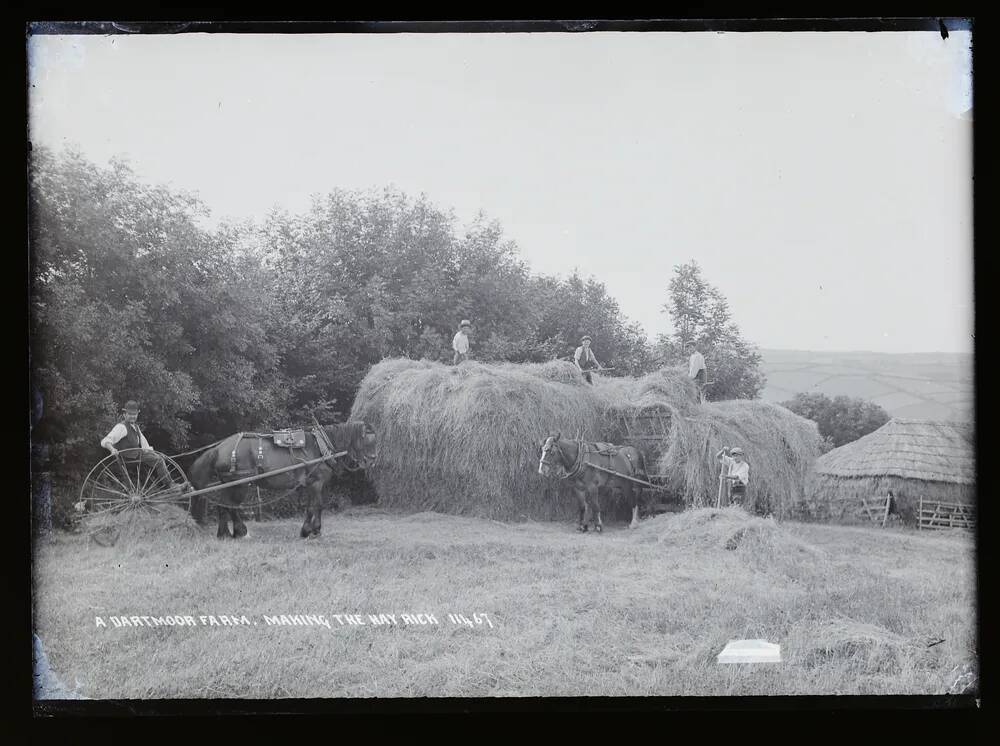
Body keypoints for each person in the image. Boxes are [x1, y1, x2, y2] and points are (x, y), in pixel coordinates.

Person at [100, 401, 187, 490]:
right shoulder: (121, 427)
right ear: (125, 414)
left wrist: (155, 454)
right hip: (129, 458)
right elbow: (106, 440)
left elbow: (145, 445)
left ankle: (161, 487)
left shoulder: (135, 427)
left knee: (159, 458)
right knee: (159, 461)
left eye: (135, 414)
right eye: (130, 414)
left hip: (136, 456)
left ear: (137, 414)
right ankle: (171, 486)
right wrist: (112, 449)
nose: (133, 416)